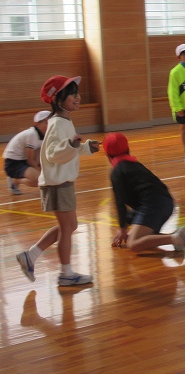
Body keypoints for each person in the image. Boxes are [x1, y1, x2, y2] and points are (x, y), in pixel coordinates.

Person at [16, 76, 100, 286]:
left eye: (77, 93)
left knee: (69, 226)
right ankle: (66, 273)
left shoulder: (63, 121)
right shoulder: (58, 123)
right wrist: (72, 145)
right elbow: (54, 153)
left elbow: (66, 149)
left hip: (60, 182)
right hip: (58, 183)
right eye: (72, 94)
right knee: (67, 228)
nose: (77, 97)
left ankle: (31, 256)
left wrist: (85, 147)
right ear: (58, 99)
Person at [102, 132, 185, 256]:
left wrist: (122, 228)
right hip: (167, 203)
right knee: (136, 238)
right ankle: (177, 238)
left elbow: (120, 202)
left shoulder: (116, 172)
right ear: (128, 149)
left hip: (153, 206)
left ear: (107, 155)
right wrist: (125, 226)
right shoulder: (136, 165)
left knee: (133, 244)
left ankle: (176, 238)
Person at [3, 110, 50, 195]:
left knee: (43, 177)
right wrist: (40, 172)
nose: (49, 125)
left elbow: (37, 157)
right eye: (46, 123)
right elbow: (30, 160)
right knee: (39, 179)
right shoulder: (32, 134)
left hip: (23, 161)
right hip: (13, 163)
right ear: (37, 123)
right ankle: (15, 181)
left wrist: (42, 169)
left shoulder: (43, 136)